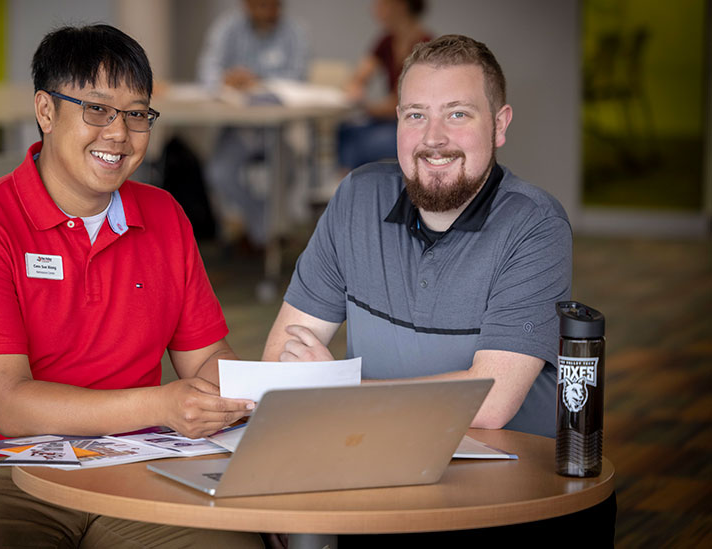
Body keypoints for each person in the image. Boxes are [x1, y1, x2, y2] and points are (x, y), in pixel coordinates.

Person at [264, 35, 616, 545]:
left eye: (457, 114)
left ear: (499, 125)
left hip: (501, 494)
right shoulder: (357, 199)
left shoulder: (535, 225)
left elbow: (489, 401)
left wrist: (337, 393)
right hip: (374, 467)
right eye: (414, 115)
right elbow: (281, 357)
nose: (433, 138)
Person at [0, 24, 262, 548]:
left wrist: (223, 394)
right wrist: (165, 405)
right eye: (97, 109)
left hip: (144, 463)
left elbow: (207, 353)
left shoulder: (166, 215)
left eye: (136, 113)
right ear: (45, 111)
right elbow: (9, 406)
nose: (119, 133)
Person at [197, 0, 308, 249]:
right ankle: (263, 230)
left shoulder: (293, 32)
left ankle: (266, 234)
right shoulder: (227, 28)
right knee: (219, 172)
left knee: (286, 172)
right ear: (247, 5)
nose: (269, 12)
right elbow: (206, 72)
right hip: (238, 128)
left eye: (274, 6)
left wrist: (258, 81)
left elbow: (299, 77)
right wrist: (226, 79)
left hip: (278, 129)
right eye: (261, 6)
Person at [337, 0, 432, 172]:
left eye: (382, 4)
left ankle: (356, 187)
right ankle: (352, 188)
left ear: (400, 6)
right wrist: (355, 87)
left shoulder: (426, 45)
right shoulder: (387, 41)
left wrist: (364, 105)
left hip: (414, 124)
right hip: (389, 119)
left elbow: (401, 103)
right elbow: (359, 76)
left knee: (362, 143)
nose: (375, 9)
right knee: (346, 129)